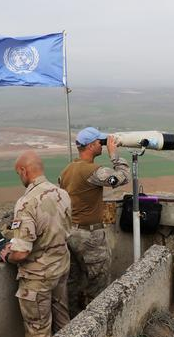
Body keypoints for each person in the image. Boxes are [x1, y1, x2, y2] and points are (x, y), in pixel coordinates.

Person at [0, 150, 72, 337]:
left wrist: (8, 255)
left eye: (18, 173)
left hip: (38, 276)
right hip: (61, 265)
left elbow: (22, 253)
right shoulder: (61, 193)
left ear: (23, 170)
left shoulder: (26, 203)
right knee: (63, 321)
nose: (19, 177)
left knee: (39, 334)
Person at [59, 127, 130, 317]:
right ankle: (95, 323)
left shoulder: (67, 169)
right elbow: (122, 178)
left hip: (70, 233)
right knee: (98, 280)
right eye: (100, 142)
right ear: (91, 146)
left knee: (73, 281)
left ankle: (73, 323)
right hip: (89, 236)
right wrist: (115, 156)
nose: (103, 144)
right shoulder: (93, 171)